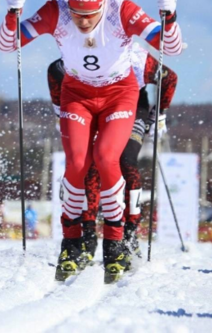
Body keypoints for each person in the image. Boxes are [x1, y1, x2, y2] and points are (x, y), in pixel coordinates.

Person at [0, 0, 183, 283]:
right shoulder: (56, 11)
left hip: (119, 93)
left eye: (90, 15)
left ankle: (115, 242)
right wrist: (12, 14)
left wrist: (170, 17)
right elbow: (8, 44)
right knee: (77, 164)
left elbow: (171, 48)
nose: (83, 22)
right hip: (78, 93)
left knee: (108, 158)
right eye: (77, 14)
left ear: (102, 5)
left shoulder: (121, 11)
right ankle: (72, 243)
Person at [47, 43, 178, 265]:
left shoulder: (136, 57)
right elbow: (54, 71)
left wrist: (160, 113)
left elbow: (169, 78)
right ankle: (87, 234)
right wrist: (60, 110)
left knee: (125, 161)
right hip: (89, 104)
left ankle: (129, 233)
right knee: (90, 164)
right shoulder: (77, 51)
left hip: (131, 105)